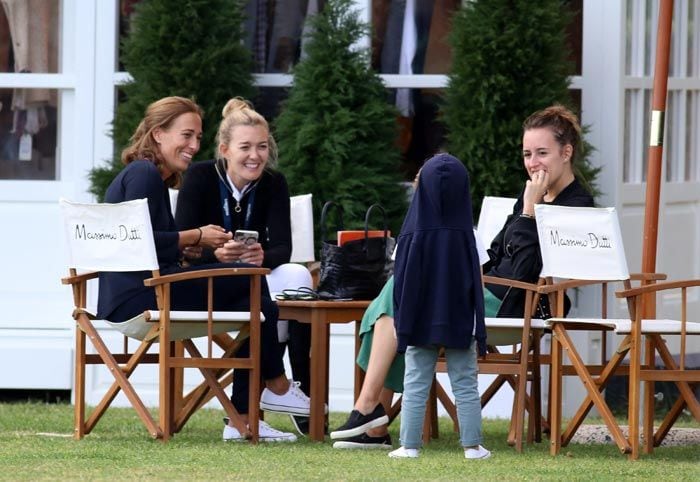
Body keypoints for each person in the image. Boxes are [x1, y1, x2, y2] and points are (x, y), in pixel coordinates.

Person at [330, 104, 594, 450]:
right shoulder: (530, 193)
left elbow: (525, 269)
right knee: (401, 292)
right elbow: (500, 252)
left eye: (542, 153)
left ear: (566, 152)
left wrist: (530, 212)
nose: (533, 163)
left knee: (403, 292)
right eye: (528, 154)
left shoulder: (576, 205)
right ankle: (371, 419)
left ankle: (368, 413)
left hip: (519, 301)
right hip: (489, 290)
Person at [96, 96, 310, 443]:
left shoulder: (152, 177)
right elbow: (139, 242)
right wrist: (195, 236)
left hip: (145, 290)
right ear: (157, 134)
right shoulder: (144, 173)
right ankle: (277, 384)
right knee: (252, 289)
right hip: (141, 297)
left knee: (250, 301)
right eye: (186, 135)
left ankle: (242, 421)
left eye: (198, 137)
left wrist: (189, 249)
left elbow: (152, 244)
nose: (194, 145)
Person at [175, 97, 314, 436]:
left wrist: (261, 256)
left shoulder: (273, 183)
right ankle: (273, 389)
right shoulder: (200, 176)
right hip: (208, 281)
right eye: (246, 147)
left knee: (295, 276)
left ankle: (258, 407)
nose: (255, 156)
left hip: (252, 279)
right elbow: (183, 246)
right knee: (256, 296)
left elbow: (284, 247)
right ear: (225, 149)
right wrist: (216, 256)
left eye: (262, 147)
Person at [388, 152, 489, 459]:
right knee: (465, 382)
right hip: (460, 320)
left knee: (415, 381)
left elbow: (399, 282)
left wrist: (400, 323)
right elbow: (479, 283)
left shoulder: (408, 235)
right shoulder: (470, 236)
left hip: (419, 320)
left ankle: (409, 446)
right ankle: (472, 446)